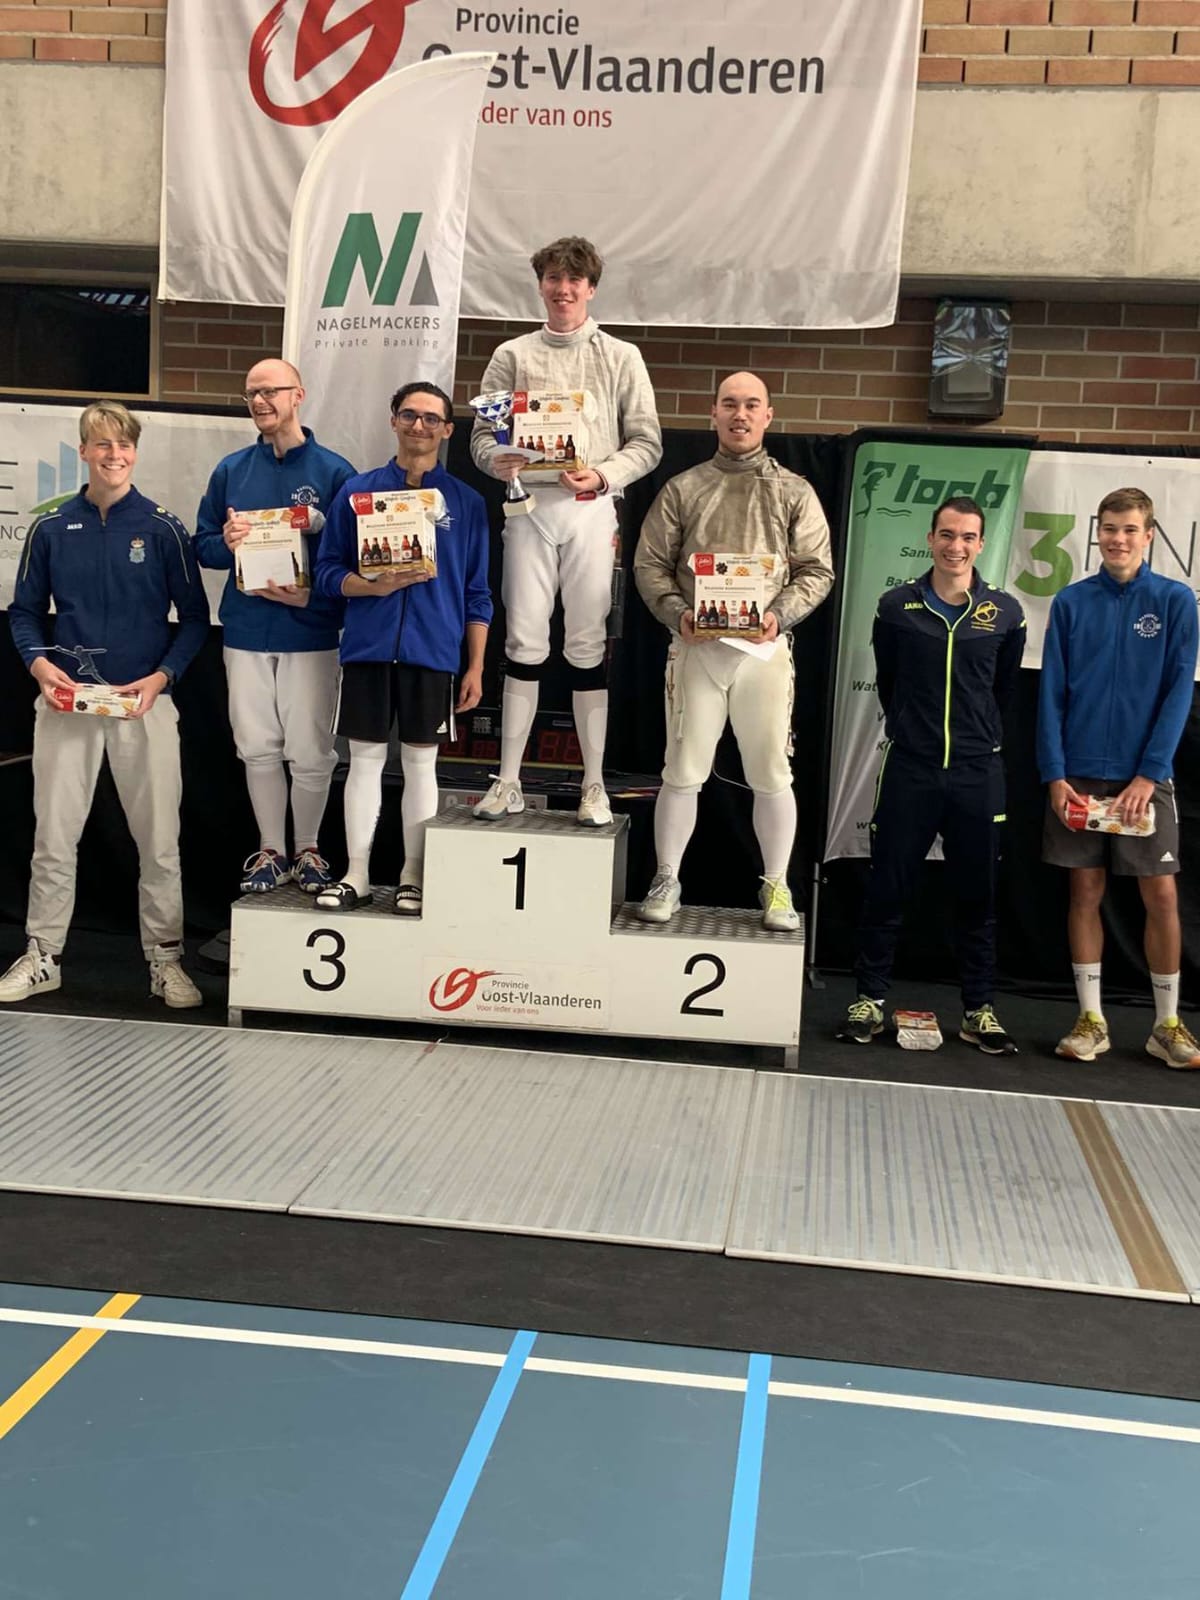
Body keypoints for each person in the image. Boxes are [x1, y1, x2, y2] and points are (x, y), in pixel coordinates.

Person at [1, 401, 209, 1007]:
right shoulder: (50, 528)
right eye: (102, 444)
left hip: (143, 704)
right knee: (53, 838)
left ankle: (165, 959)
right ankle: (43, 955)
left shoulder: (163, 528)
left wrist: (161, 678)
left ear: (134, 453)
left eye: (123, 444)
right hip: (69, 705)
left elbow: (195, 619)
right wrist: (40, 668)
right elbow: (24, 612)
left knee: (159, 841)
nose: (113, 454)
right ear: (84, 451)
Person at [469, 235, 662, 827]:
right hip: (527, 509)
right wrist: (496, 460)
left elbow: (648, 443)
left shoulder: (621, 356)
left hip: (590, 510)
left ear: (591, 288)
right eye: (553, 278)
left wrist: (602, 476)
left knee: (585, 644)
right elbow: (481, 438)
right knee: (524, 642)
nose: (563, 289)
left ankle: (594, 785)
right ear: (540, 286)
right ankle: (508, 780)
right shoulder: (512, 355)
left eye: (574, 280)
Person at [633, 372, 834, 931]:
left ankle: (778, 884)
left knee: (772, 772)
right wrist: (679, 613)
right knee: (682, 770)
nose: (739, 415)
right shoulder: (684, 488)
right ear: (714, 413)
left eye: (751, 405)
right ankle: (667, 876)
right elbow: (650, 564)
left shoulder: (793, 491)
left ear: (767, 416)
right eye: (729, 404)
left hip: (762, 654)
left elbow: (817, 570)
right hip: (696, 649)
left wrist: (778, 616)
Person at [838, 495, 1025, 1053]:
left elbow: (1003, 689)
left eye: (967, 537)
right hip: (911, 769)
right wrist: (914, 732)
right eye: (947, 534)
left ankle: (979, 1009)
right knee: (887, 888)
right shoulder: (896, 606)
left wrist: (973, 739)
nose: (955, 546)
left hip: (977, 772)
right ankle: (868, 1000)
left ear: (981, 544)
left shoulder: (1005, 612)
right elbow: (889, 681)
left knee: (977, 896)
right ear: (930, 539)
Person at [311, 382, 491, 914]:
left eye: (431, 418)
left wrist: (476, 666)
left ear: (447, 430)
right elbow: (326, 572)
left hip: (433, 654)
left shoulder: (467, 503)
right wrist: (371, 587)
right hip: (367, 649)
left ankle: (413, 875)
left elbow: (477, 592)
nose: (419, 426)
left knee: (420, 765)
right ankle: (357, 874)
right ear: (393, 420)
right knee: (364, 762)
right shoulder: (357, 493)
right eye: (409, 415)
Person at [1038, 486, 1200, 1068]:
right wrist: (1055, 775)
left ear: (1149, 536)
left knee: (1162, 893)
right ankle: (1092, 1020)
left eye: (1130, 529)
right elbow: (1051, 693)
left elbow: (1179, 692)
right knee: (1084, 892)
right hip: (1079, 776)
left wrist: (1149, 776)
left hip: (1144, 781)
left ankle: (1167, 1025)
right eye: (1109, 528)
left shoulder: (1175, 601)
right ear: (1097, 533)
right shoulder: (1071, 602)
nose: (1118, 539)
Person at [195, 358, 355, 896]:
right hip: (245, 630)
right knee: (256, 746)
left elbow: (353, 557)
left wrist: (318, 576)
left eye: (270, 391)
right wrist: (228, 541)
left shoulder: (335, 472)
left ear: (298, 395)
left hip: (310, 632)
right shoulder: (231, 470)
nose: (260, 402)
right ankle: (271, 850)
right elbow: (204, 547)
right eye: (251, 394)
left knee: (310, 750)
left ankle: (308, 849)